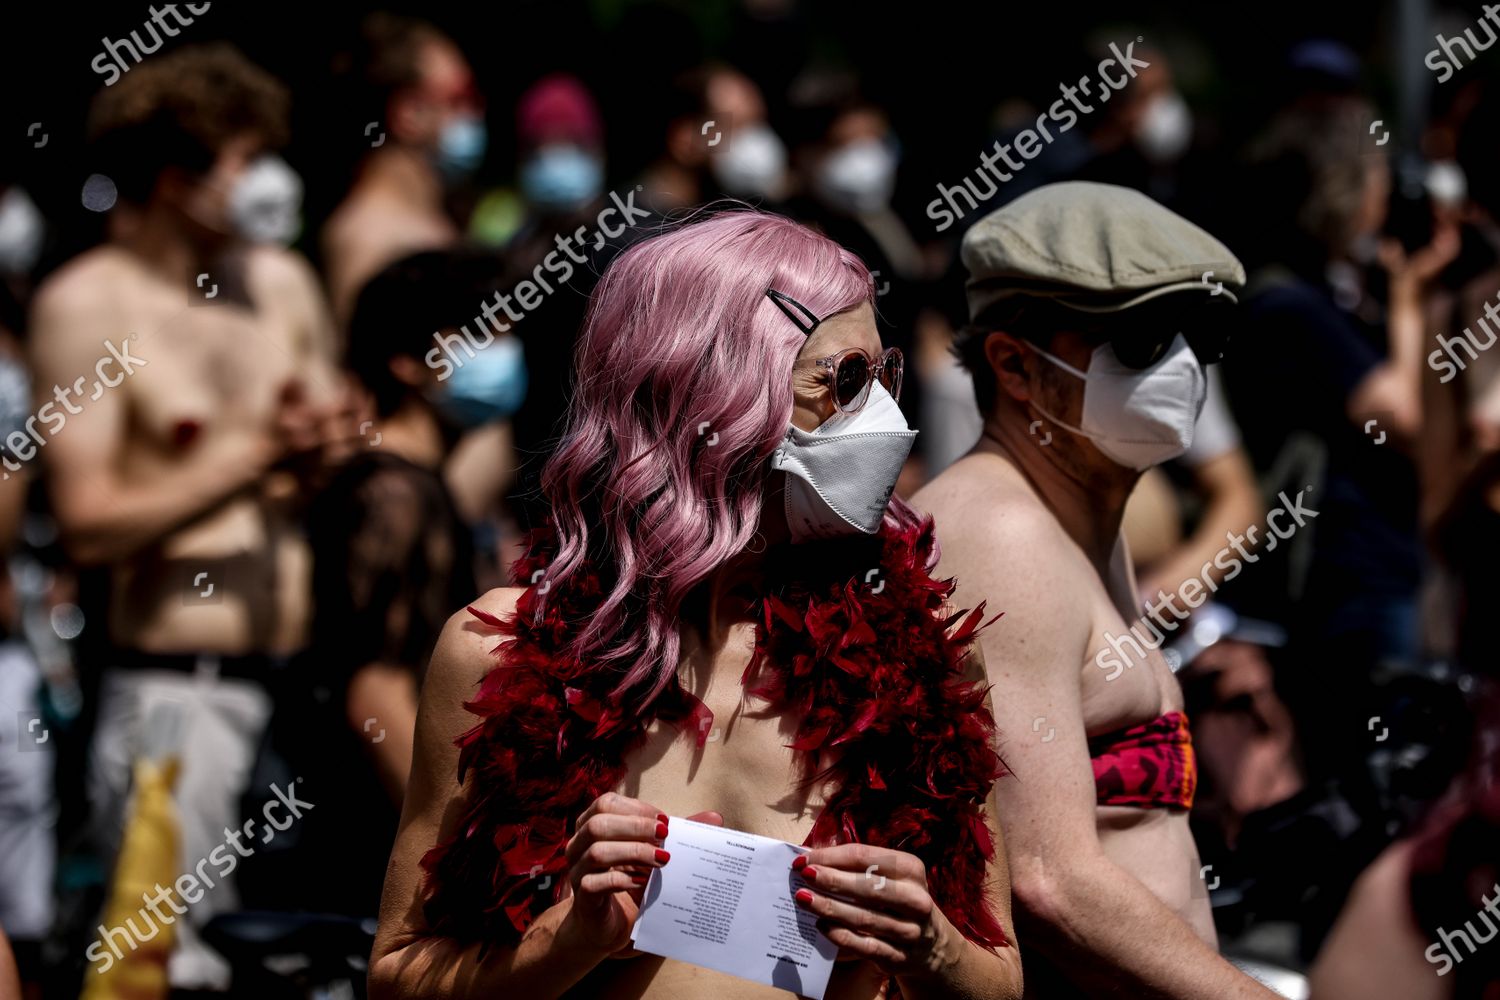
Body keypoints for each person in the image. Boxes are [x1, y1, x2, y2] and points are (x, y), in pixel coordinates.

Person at [369, 210, 1023, 999]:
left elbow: (999, 981)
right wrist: (569, 944)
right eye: (846, 381)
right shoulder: (503, 652)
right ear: (714, 399)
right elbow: (398, 978)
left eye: (885, 375)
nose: (883, 415)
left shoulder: (926, 654)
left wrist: (931, 949)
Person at [913, 181, 1277, 998]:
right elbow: (1049, 881)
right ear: (1014, 365)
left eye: (1202, 332)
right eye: (1143, 338)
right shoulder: (1001, 534)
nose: (1183, 365)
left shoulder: (1076, 519)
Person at [29, 44, 343, 990]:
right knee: (169, 972)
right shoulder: (88, 305)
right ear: (176, 179)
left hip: (302, 690)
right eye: (246, 161)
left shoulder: (281, 283)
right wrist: (254, 453)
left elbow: (321, 457)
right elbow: (89, 524)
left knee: (311, 966)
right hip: (177, 694)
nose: (269, 183)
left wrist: (325, 443)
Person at [322, 13, 485, 326]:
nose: (474, 114)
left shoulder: (440, 219)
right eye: (459, 98)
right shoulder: (368, 236)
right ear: (409, 112)